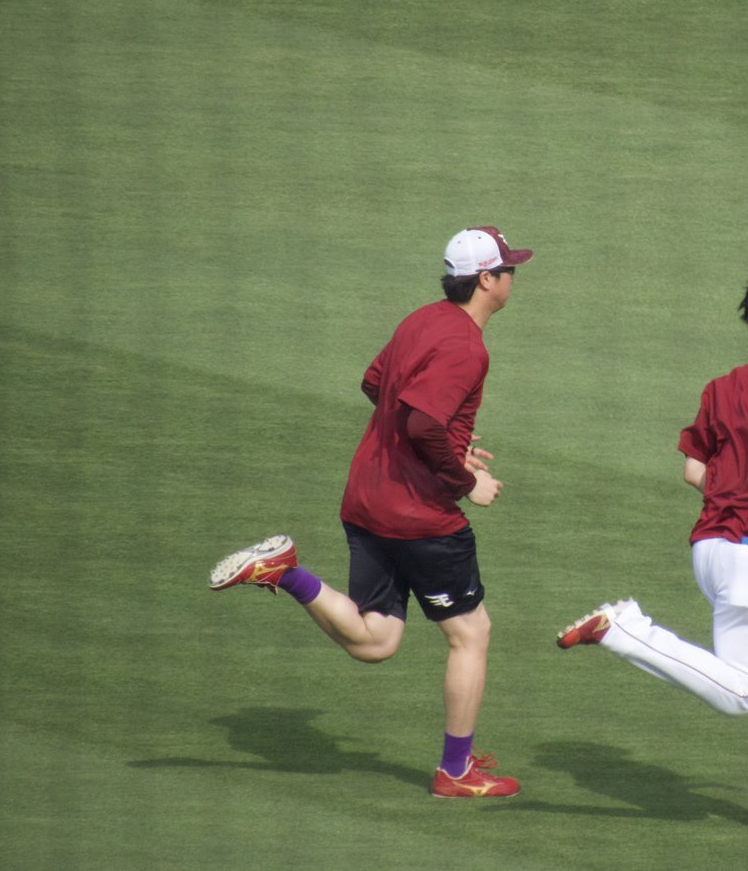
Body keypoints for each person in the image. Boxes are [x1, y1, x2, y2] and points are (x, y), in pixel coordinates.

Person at [209, 226, 534, 798]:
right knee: (471, 633)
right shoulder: (467, 346)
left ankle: (285, 572)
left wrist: (449, 439)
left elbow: (374, 383)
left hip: (366, 498)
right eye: (508, 270)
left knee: (375, 640)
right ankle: (455, 772)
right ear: (486, 280)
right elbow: (422, 423)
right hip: (420, 517)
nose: (513, 278)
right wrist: (465, 480)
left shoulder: (422, 319)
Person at [556, 263, 748, 837]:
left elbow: (694, 470)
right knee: (742, 693)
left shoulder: (725, 386)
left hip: (712, 549)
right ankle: (625, 630)